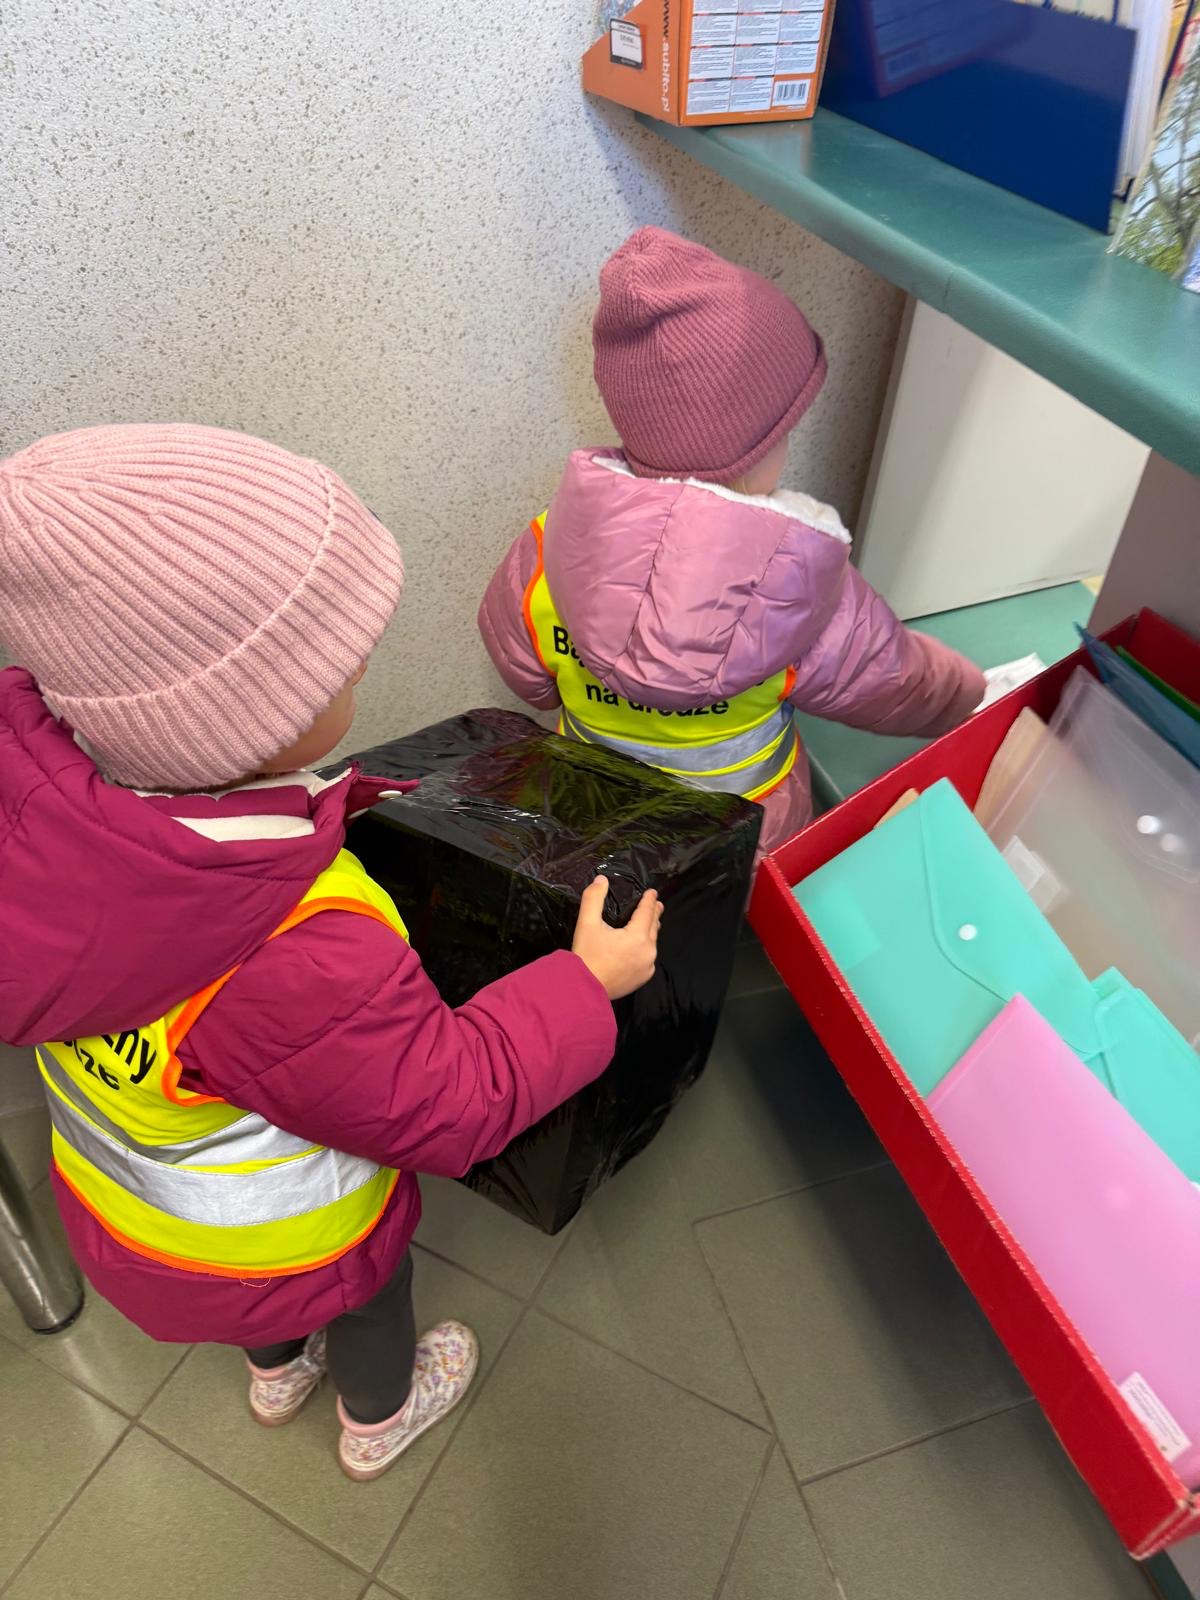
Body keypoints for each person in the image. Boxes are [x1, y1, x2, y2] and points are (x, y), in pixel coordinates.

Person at [0, 423, 661, 1480]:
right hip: (297, 1243)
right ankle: (378, 1416)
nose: (359, 661)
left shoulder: (48, 849)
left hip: (140, 1224)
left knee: (262, 1315)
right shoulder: (294, 949)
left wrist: (336, 806)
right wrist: (588, 983)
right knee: (367, 1303)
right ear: (236, 721)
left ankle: (275, 1374)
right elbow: (446, 1100)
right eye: (334, 659)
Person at [479, 227, 985, 855]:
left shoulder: (545, 546)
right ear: (754, 448)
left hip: (592, 813)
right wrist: (969, 691)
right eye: (783, 430)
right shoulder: (801, 582)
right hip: (742, 836)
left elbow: (522, 669)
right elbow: (896, 681)